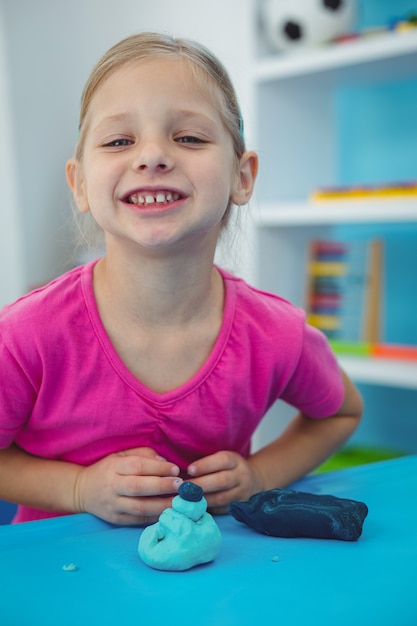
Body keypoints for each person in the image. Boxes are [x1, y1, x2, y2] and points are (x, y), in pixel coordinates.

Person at [0, 32, 363, 525]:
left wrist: (259, 476)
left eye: (189, 137)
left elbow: (340, 412)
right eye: (119, 141)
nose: (152, 156)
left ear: (243, 176)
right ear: (80, 184)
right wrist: (80, 488)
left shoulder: (275, 332)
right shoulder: (26, 333)